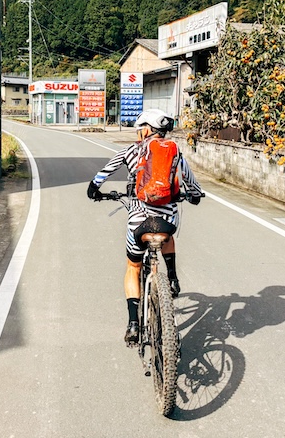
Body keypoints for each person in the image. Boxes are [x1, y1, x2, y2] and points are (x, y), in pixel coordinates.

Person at [87, 108, 203, 345]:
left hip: (139, 223)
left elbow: (105, 172)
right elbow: (192, 185)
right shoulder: (175, 152)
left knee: (133, 267)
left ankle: (132, 324)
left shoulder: (131, 151)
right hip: (166, 223)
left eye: (140, 129)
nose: (138, 133)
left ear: (148, 129)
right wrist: (194, 195)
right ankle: (170, 277)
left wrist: (94, 189)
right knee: (168, 234)